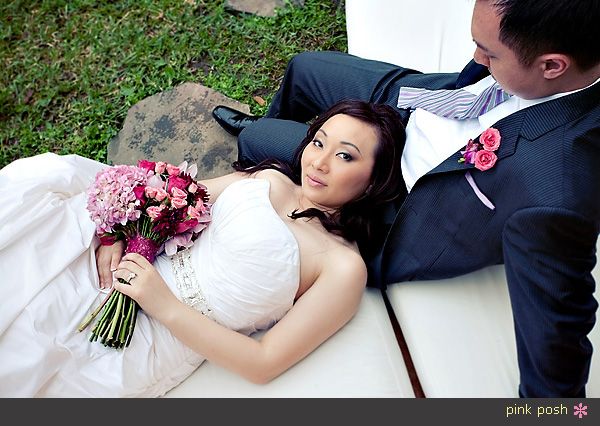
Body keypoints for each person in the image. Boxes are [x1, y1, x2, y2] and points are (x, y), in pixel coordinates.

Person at [211, 0, 600, 397]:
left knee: (258, 140)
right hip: (422, 106)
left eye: (490, 52)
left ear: (552, 66)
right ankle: (292, 136)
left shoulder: (555, 194)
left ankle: (268, 156)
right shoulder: (541, 52)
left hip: (396, 204)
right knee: (306, 70)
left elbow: (558, 349)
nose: (476, 56)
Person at [0, 100, 406, 397]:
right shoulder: (270, 179)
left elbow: (263, 363)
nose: (319, 163)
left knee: (29, 354)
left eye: (344, 156)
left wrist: (161, 303)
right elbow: (173, 200)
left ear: (374, 180)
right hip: (131, 263)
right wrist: (118, 232)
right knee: (41, 204)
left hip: (157, 333)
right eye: (319, 143)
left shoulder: (342, 267)